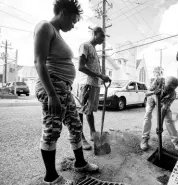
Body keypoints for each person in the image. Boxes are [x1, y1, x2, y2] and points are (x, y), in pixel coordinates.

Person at [34, 1, 98, 184]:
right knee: (52, 129)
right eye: (72, 20)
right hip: (52, 87)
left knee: (75, 125)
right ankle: (51, 178)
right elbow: (39, 62)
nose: (73, 24)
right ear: (63, 12)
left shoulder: (58, 34)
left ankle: (80, 163)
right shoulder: (45, 27)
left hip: (64, 89)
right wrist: (52, 94)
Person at [78, 26, 111, 150]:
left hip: (94, 84)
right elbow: (81, 67)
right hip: (86, 84)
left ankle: (93, 134)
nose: (103, 39)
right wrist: (100, 75)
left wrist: (101, 78)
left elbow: (93, 68)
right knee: (80, 111)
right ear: (95, 33)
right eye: (102, 35)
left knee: (89, 110)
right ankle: (80, 138)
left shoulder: (94, 50)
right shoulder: (85, 46)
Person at [140, 76, 178, 152]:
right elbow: (147, 93)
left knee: (169, 119)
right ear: (164, 82)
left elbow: (164, 109)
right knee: (147, 115)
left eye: (169, 90)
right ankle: (144, 138)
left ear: (173, 89)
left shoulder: (172, 95)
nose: (166, 91)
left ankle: (175, 141)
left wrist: (160, 125)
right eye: (166, 88)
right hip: (152, 98)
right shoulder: (158, 81)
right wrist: (154, 92)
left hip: (163, 102)